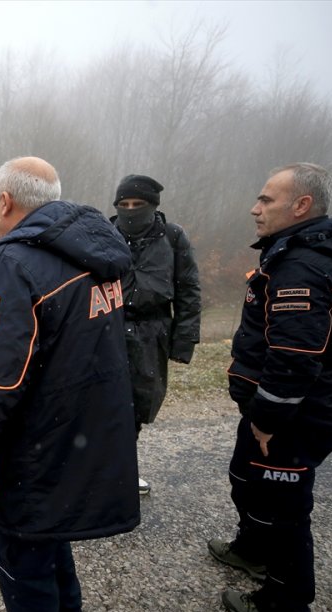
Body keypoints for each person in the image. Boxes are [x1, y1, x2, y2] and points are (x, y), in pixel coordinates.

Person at [0, 157, 140, 612]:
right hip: (83, 430)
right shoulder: (95, 253)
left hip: (34, 442)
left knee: (22, 547)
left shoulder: (13, 263)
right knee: (48, 533)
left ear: (5, 201)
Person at [210, 163, 332, 612]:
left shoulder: (302, 267)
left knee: (283, 509)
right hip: (276, 409)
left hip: (291, 415)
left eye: (266, 199)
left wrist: (267, 419)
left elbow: (295, 358)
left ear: (301, 205)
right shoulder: (298, 253)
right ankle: (251, 548)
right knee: (245, 478)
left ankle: (286, 605)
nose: (254, 208)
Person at [110, 174, 201, 495]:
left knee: (137, 403)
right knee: (102, 401)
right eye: (124, 204)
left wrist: (184, 340)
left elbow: (188, 289)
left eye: (138, 204)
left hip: (153, 332)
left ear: (153, 205)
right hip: (107, 329)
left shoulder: (173, 237)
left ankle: (124, 469)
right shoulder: (104, 235)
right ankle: (97, 469)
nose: (130, 210)